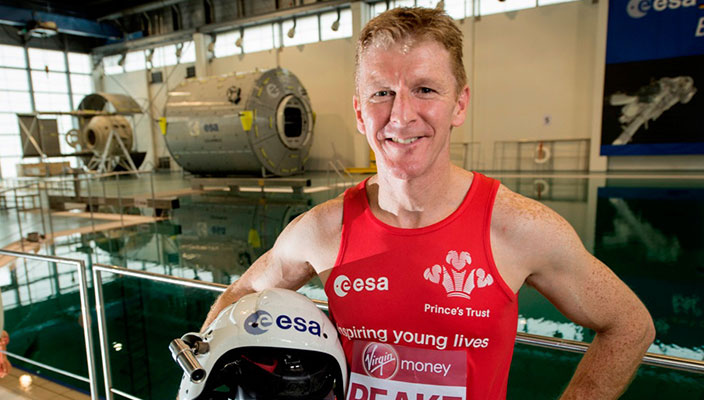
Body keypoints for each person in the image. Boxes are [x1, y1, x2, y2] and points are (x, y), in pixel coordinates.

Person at [201, 7, 654, 399]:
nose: (401, 115)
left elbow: (629, 325)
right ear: (360, 111)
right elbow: (241, 294)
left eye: (425, 89)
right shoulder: (322, 230)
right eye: (382, 93)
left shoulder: (519, 228)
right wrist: (202, 376)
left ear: (459, 104)